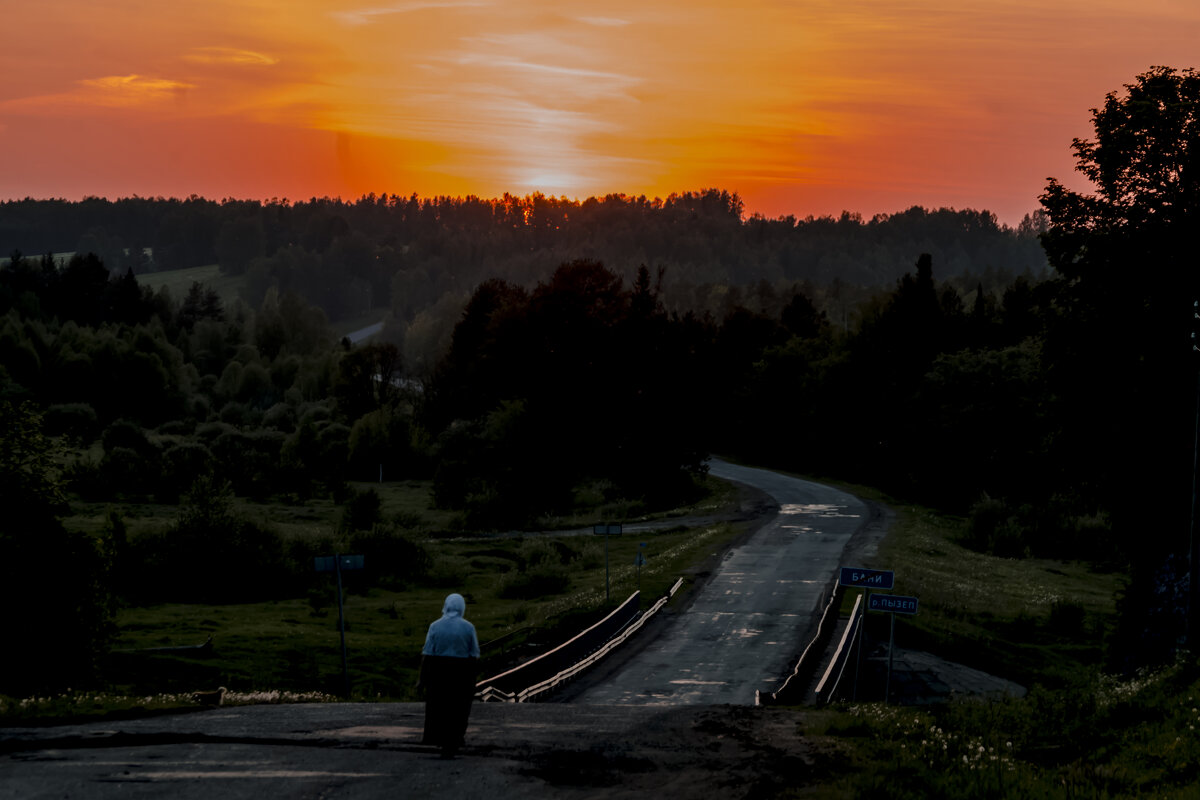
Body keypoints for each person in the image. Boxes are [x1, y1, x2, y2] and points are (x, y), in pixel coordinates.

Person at [418, 592, 480, 757]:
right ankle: (455, 738)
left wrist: (421, 680)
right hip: (461, 672)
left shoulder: (435, 626)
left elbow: (427, 654)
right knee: (459, 707)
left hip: (438, 671)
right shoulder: (468, 627)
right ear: (462, 608)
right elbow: (473, 654)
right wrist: (473, 679)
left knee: (439, 707)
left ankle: (440, 738)